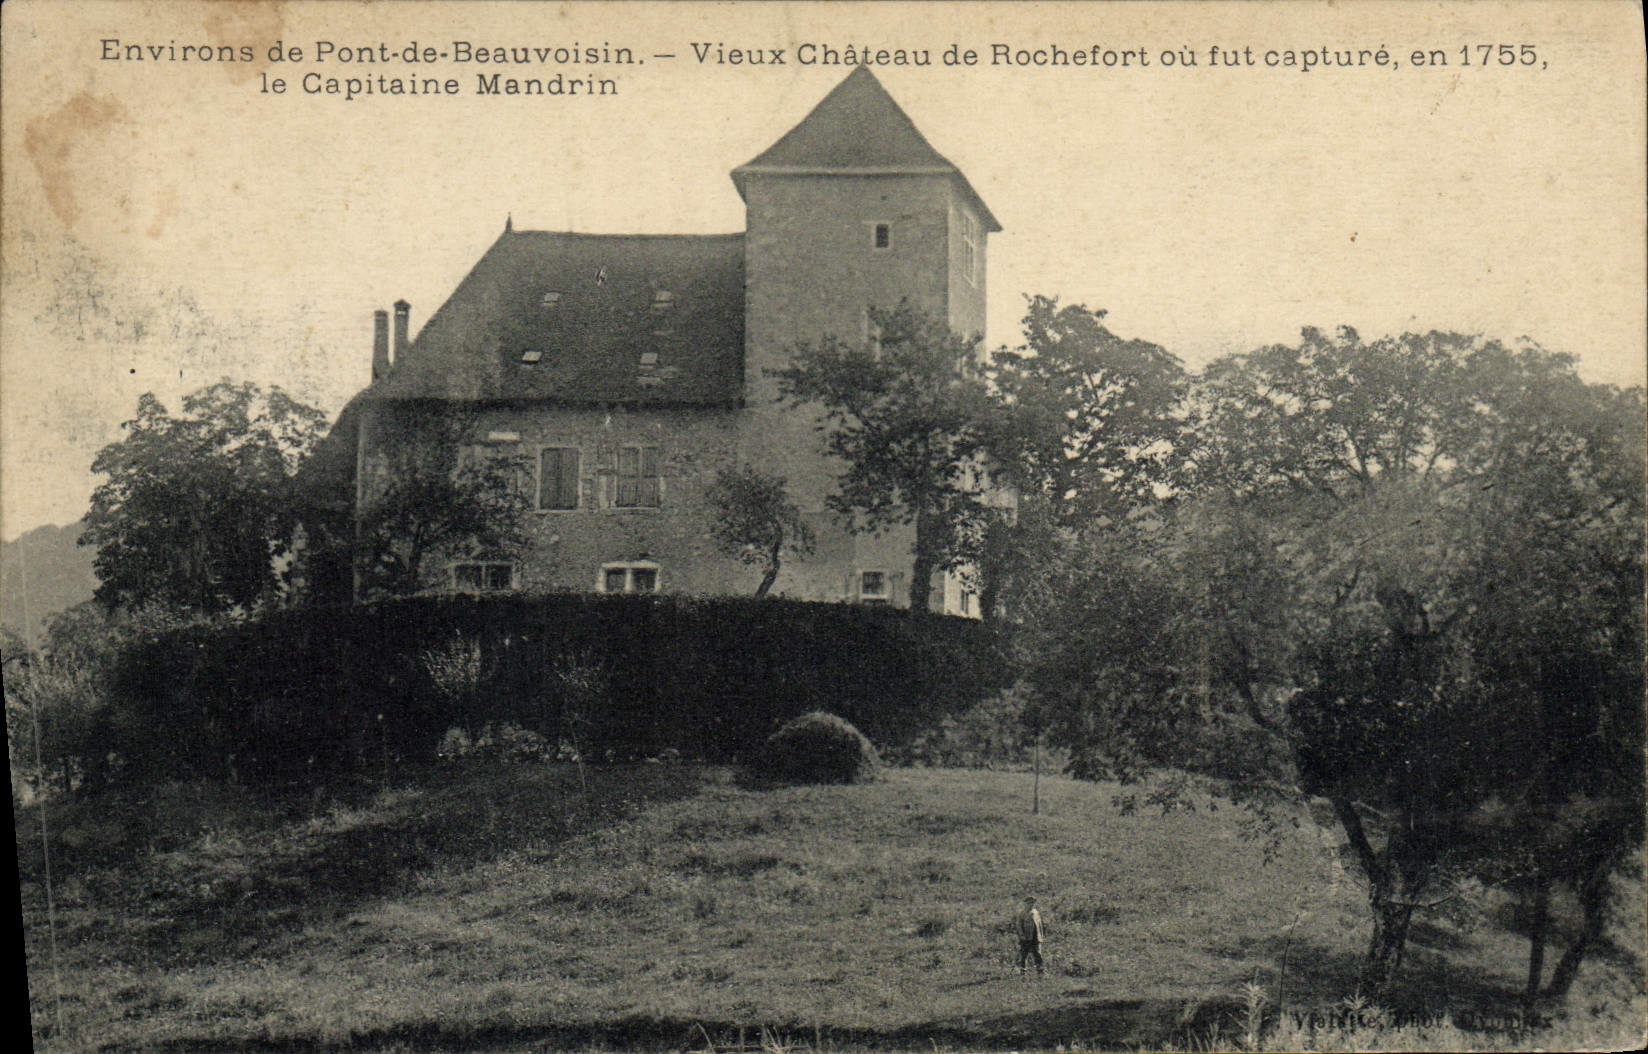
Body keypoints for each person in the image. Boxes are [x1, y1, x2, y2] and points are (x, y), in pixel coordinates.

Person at [1014, 895, 1045, 977]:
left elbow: (1040, 925)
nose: (1031, 905)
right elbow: (1018, 926)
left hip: (1035, 938)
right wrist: (1022, 936)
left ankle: (1040, 971)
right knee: (1024, 954)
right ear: (1025, 904)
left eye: (1032, 903)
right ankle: (1023, 971)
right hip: (1026, 938)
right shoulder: (1022, 914)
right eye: (1029, 903)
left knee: (1037, 954)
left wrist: (1041, 936)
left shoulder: (1036, 913)